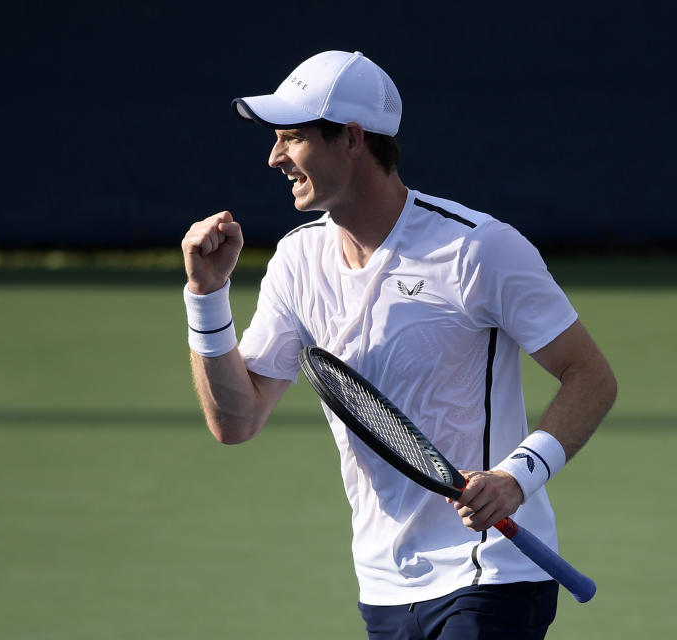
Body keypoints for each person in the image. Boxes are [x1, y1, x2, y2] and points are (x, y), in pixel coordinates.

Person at [180, 50, 617, 640]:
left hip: (490, 576)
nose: (275, 157)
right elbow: (236, 420)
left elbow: (590, 375)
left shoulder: (479, 249)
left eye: (292, 138)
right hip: (384, 587)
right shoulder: (297, 260)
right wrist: (206, 297)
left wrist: (516, 478)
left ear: (353, 139)